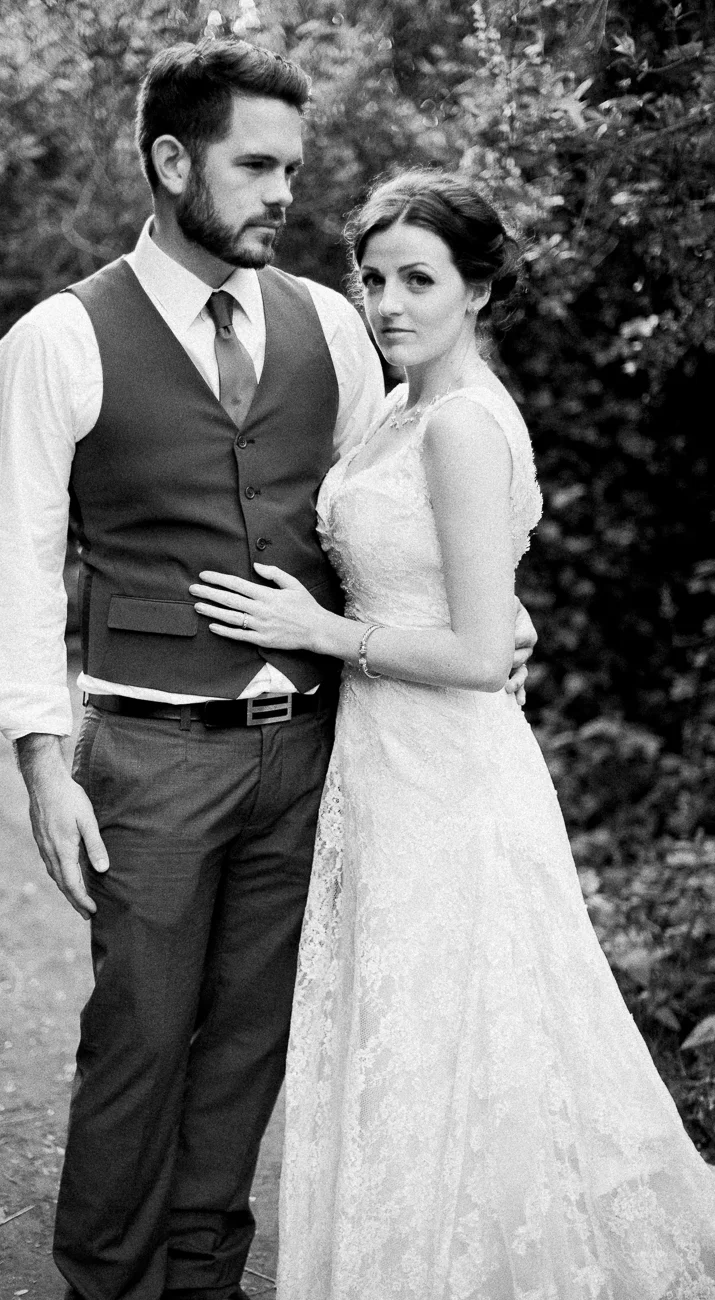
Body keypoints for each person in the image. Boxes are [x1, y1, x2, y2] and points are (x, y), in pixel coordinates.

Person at [0, 40, 536, 1300]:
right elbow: (18, 569)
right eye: (258, 165)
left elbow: (374, 511)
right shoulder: (59, 339)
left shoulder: (332, 325)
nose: (287, 192)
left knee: (247, 1044)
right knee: (139, 1040)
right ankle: (105, 1283)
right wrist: (39, 761)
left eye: (295, 164)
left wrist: (497, 619)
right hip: (153, 752)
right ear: (174, 162)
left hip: (316, 749)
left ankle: (204, 1278)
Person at [190, 170, 715, 1298]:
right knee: (407, 1041)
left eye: (419, 280)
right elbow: (472, 595)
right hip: (382, 766)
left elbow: (480, 656)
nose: (388, 302)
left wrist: (320, 628)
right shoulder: (399, 406)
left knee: (462, 1036)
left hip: (448, 776)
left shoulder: (465, 423)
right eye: (373, 278)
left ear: (478, 289)